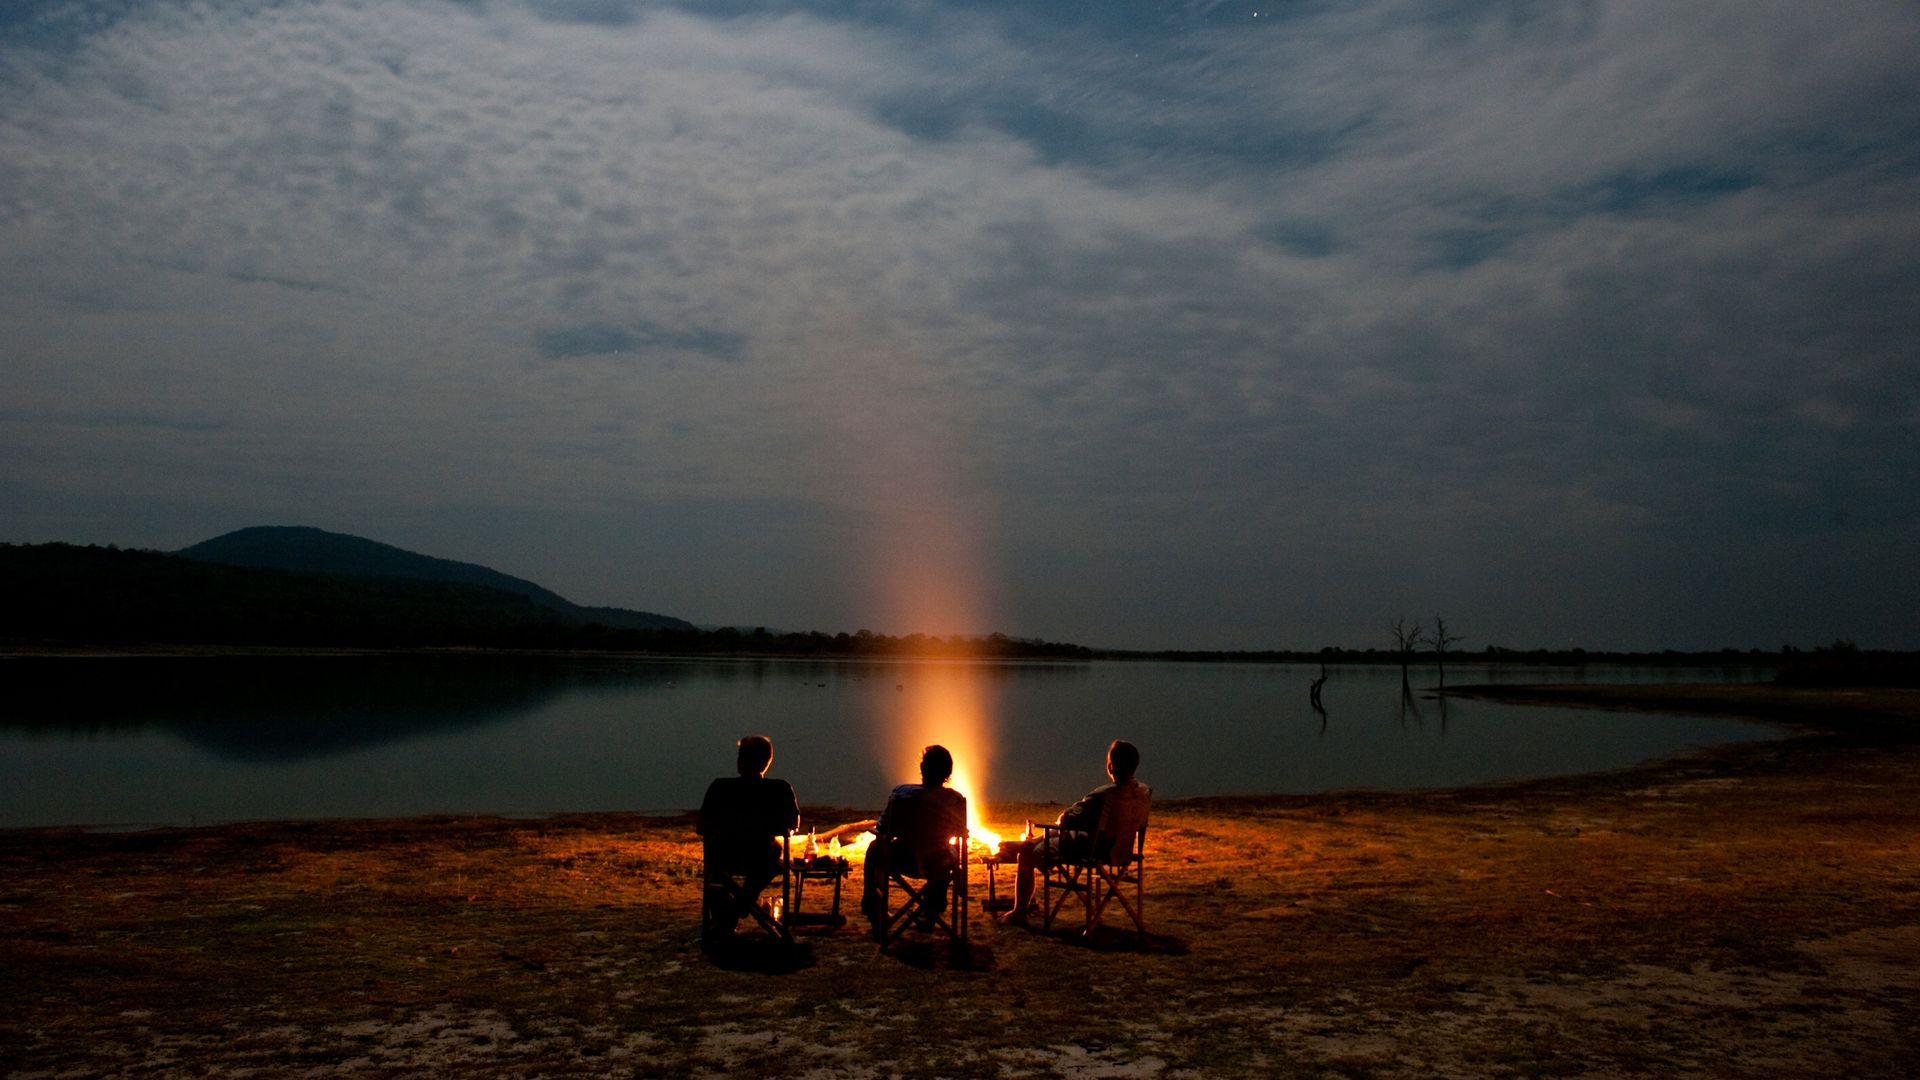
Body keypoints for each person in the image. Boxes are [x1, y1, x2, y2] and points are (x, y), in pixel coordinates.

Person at [1001, 739, 1149, 928]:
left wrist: (1065, 818)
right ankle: (1030, 842)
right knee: (1068, 833)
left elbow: (1067, 820)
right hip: (1122, 850)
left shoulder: (1105, 794)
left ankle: (1018, 912)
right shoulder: (1143, 793)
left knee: (1026, 857)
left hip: (1091, 851)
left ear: (1111, 766)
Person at [696, 735, 800, 936]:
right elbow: (792, 825)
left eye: (740, 755)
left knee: (716, 874)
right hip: (761, 859)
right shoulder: (780, 789)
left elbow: (702, 827)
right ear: (767, 762)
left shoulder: (720, 787)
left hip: (723, 856)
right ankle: (742, 904)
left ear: (742, 760)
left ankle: (728, 916)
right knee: (776, 861)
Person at [861, 744, 968, 930]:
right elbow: (961, 831)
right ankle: (931, 911)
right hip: (937, 863)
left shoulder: (901, 793)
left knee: (874, 848)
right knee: (951, 852)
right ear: (948, 772)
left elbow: (882, 827)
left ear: (922, 768)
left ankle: (874, 909)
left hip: (903, 859)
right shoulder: (956, 800)